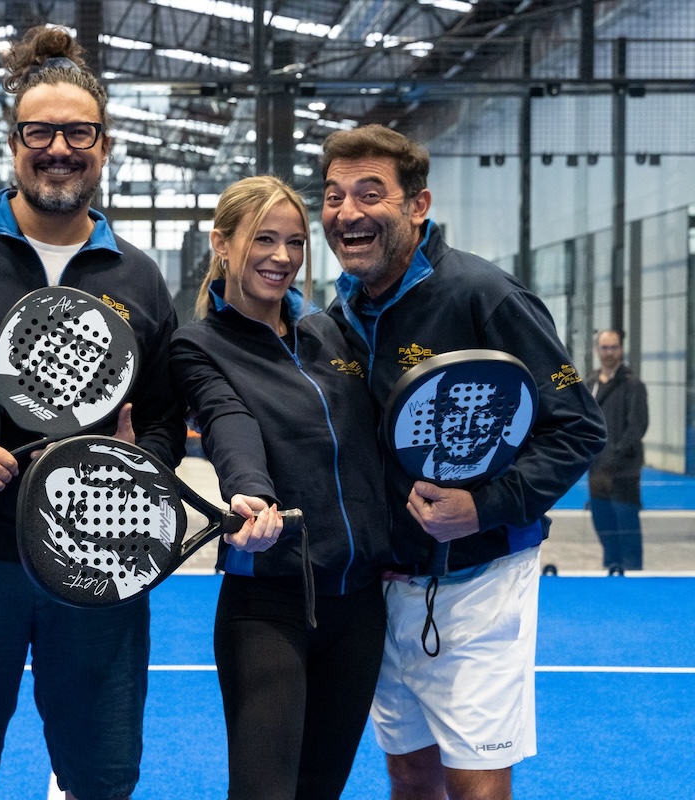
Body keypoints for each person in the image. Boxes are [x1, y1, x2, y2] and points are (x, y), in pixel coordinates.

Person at [0, 26, 186, 800]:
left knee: (101, 775)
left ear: (104, 142)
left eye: (77, 131)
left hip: (97, 563)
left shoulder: (139, 277)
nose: (59, 148)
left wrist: (137, 465)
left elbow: (160, 417)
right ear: (13, 142)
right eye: (40, 131)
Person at [321, 124, 606, 800]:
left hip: (484, 582)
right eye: (333, 196)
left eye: (370, 193)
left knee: (475, 782)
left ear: (417, 206)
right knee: (409, 772)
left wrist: (481, 507)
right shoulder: (344, 311)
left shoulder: (486, 295)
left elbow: (577, 427)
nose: (348, 212)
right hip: (387, 586)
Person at [170, 175, 390, 799]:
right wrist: (250, 495)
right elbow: (226, 420)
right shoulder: (199, 344)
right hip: (266, 602)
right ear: (222, 243)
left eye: (295, 242)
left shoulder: (334, 334)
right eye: (264, 239)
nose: (282, 257)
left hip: (359, 606)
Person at [586, 329, 648, 571]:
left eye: (613, 347)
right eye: (604, 348)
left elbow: (637, 427)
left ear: (621, 349)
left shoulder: (633, 385)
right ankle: (611, 572)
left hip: (623, 472)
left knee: (627, 530)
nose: (609, 352)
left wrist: (612, 459)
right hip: (597, 471)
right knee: (604, 527)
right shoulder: (590, 383)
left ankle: (633, 578)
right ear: (597, 350)